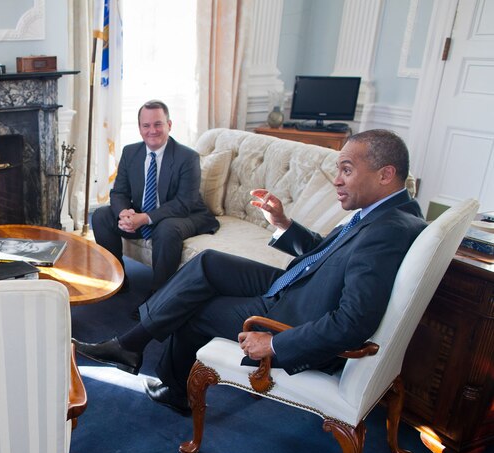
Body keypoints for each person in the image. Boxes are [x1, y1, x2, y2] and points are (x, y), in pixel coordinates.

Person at [74, 129, 426, 416]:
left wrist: (274, 342)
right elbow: (329, 252)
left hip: (292, 314)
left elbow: (353, 321)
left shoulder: (388, 230)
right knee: (209, 261)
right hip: (297, 284)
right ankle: (131, 345)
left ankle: (170, 384)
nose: (337, 180)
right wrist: (283, 224)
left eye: (346, 170)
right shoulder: (385, 213)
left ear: (385, 174)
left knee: (192, 308)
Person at [92, 100, 219, 298]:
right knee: (101, 216)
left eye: (158, 124)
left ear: (169, 125)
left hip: (186, 215)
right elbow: (119, 192)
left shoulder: (187, 157)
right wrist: (125, 213)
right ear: (140, 128)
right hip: (144, 213)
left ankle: (158, 298)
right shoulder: (130, 152)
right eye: (146, 125)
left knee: (166, 228)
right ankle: (118, 280)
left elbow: (184, 203)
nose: (152, 130)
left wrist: (143, 218)